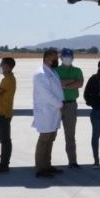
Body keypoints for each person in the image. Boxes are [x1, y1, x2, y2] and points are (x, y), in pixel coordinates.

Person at [32, 48, 64, 178]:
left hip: (53, 111)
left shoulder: (52, 71)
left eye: (57, 57)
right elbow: (46, 94)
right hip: (46, 112)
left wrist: (59, 104)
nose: (56, 60)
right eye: (54, 58)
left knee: (50, 140)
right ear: (46, 58)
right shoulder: (40, 74)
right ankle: (40, 168)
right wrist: (59, 104)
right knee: (44, 140)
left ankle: (47, 165)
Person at [55, 48, 84, 168]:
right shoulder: (55, 70)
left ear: (73, 58)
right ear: (61, 58)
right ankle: (46, 162)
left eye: (69, 57)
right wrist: (71, 82)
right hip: (56, 105)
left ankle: (72, 161)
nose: (67, 59)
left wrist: (64, 84)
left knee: (70, 135)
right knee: (50, 134)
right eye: (65, 57)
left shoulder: (77, 70)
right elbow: (56, 84)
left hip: (71, 105)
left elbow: (80, 83)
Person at [0, 57, 17, 173]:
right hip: (2, 113)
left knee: (5, 140)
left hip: (3, 114)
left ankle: (4, 164)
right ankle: (3, 163)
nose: (0, 67)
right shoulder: (7, 79)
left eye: (1, 64)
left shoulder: (8, 80)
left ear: (7, 67)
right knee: (4, 139)